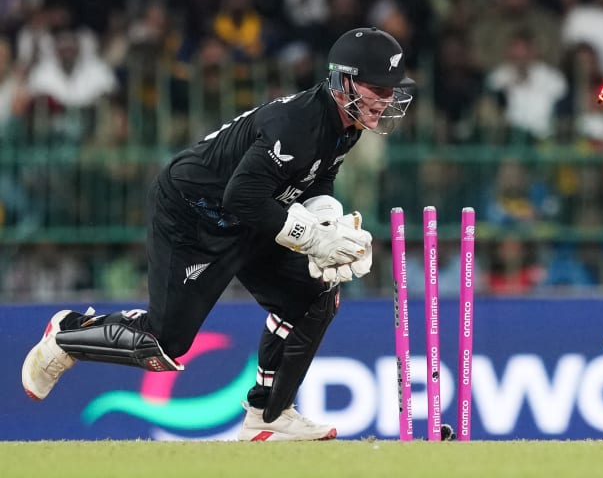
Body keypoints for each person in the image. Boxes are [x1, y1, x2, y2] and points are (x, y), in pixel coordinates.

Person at [21, 27, 415, 441]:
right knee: (164, 343)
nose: (386, 100)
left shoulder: (345, 124)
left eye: (391, 90)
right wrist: (314, 239)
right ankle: (67, 334)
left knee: (316, 294)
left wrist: (332, 225)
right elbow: (241, 195)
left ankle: (268, 414)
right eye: (377, 88)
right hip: (193, 214)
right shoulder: (298, 123)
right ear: (343, 80)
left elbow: (315, 179)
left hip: (251, 217)